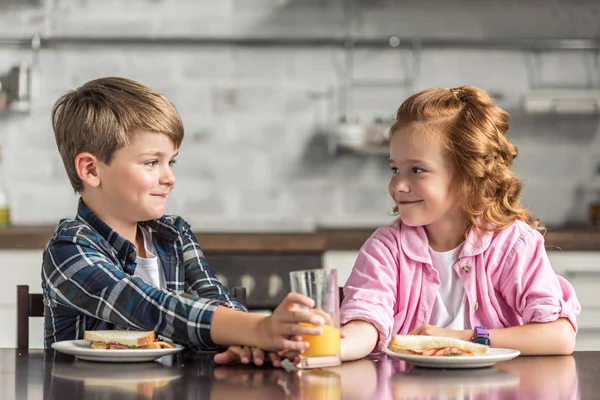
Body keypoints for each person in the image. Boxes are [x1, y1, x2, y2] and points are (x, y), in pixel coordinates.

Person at [42, 77, 325, 360]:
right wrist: (256, 328)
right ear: (91, 170)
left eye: (171, 162)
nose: (170, 178)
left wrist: (248, 342)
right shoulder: (68, 249)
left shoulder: (173, 235)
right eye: (152, 162)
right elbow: (148, 306)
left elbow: (215, 298)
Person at [339, 86, 581, 362]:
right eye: (395, 169)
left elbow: (559, 336)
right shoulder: (385, 249)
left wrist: (458, 338)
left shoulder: (512, 245)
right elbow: (365, 323)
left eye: (417, 170)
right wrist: (328, 349)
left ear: (468, 176)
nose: (398, 185)